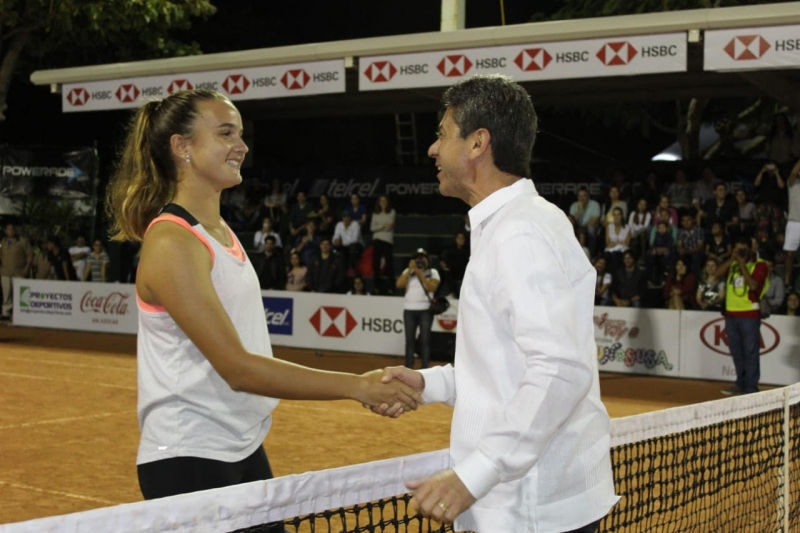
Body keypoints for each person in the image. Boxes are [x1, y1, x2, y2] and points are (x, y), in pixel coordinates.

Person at [104, 90, 420, 505]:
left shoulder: (220, 231)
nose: (242, 145)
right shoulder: (172, 242)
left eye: (239, 133)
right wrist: (357, 386)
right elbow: (239, 369)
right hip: (190, 458)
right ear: (182, 147)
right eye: (225, 133)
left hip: (242, 446)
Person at [379, 75, 617, 532]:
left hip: (531, 511)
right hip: (526, 505)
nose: (433, 149)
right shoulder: (510, 225)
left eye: (443, 134)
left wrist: (474, 474)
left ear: (477, 144)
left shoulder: (520, 233)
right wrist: (427, 385)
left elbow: (560, 371)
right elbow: (502, 366)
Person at [715, 237, 769, 396]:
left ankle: (751, 387)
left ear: (750, 249)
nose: (740, 253)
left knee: (750, 352)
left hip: (749, 314)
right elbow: (716, 274)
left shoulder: (760, 265)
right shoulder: (732, 263)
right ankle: (740, 383)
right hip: (731, 314)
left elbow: (753, 285)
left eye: (743, 250)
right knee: (736, 351)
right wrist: (732, 258)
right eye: (737, 249)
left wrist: (742, 264)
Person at [396, 248, 440, 370]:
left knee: (425, 340)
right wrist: (410, 270)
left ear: (427, 259)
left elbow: (432, 288)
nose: (420, 260)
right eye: (417, 258)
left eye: (423, 257)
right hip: (409, 309)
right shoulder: (408, 271)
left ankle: (425, 367)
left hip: (425, 310)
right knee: (409, 340)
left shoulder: (433, 272)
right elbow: (399, 284)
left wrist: (421, 275)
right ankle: (408, 366)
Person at [0, 222, 33, 319]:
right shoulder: (2, 242)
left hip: (19, 271)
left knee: (20, 294)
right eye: (8, 229)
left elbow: (30, 255)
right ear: (6, 231)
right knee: (6, 293)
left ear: (16, 230)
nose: (11, 231)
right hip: (5, 271)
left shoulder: (23, 241)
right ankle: (6, 312)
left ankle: (21, 313)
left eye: (12, 229)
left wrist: (27, 267)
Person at [370, 194, 395, 295]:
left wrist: (379, 226)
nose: (383, 203)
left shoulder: (392, 212)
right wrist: (383, 225)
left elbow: (389, 226)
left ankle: (391, 287)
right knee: (376, 264)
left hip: (387, 241)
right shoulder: (375, 214)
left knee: (389, 264)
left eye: (384, 201)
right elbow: (372, 228)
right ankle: (377, 287)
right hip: (377, 240)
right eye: (381, 201)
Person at [784, 158, 800, 290]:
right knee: (790, 255)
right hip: (794, 222)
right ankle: (787, 282)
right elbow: (793, 173)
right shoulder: (792, 183)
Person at [439, 230, 469, 297]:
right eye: (459, 238)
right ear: (455, 239)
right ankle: (454, 293)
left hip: (464, 272)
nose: (460, 240)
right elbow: (443, 260)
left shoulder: (467, 250)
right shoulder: (449, 250)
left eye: (462, 238)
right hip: (452, 272)